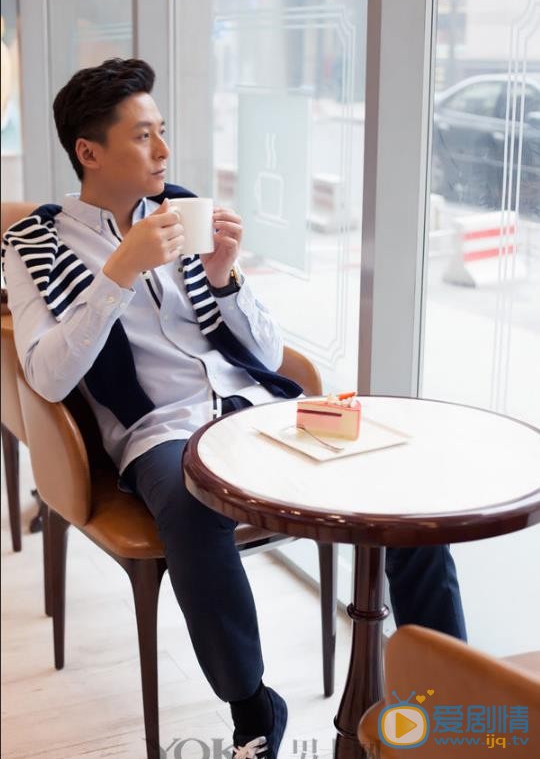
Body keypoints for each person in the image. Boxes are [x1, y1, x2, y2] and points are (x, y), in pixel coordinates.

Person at [1, 58, 466, 759]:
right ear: (89, 152)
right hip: (159, 431)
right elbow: (45, 372)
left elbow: (270, 351)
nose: (163, 151)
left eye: (163, 132)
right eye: (144, 137)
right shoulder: (34, 244)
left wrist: (226, 276)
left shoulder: (183, 210)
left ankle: (454, 696)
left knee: (401, 490)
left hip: (256, 409)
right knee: (190, 506)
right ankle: (253, 709)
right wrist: (118, 273)